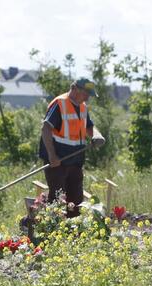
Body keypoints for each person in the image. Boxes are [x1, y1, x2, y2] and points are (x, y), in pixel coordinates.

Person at [39, 78, 105, 217]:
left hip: (75, 161)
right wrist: (52, 156)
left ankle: (72, 234)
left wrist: (97, 135)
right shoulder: (60, 103)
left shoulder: (82, 106)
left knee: (75, 201)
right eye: (86, 93)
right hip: (58, 161)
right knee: (57, 200)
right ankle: (51, 231)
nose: (88, 97)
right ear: (75, 89)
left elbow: (89, 127)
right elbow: (46, 128)